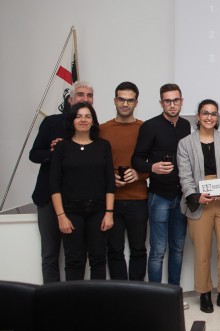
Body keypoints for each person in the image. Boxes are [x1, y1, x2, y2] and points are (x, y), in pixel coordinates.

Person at [177, 99, 220, 313]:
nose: (209, 117)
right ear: (198, 116)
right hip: (200, 202)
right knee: (202, 251)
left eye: (213, 114)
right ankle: (204, 294)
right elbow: (184, 175)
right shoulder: (185, 143)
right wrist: (195, 196)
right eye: (205, 113)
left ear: (217, 117)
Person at [29, 80, 94, 283]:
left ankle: (73, 300)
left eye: (89, 95)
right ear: (70, 99)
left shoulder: (93, 128)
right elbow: (34, 154)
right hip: (48, 198)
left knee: (77, 255)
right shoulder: (51, 123)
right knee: (50, 254)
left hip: (77, 201)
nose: (85, 99)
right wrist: (52, 152)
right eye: (81, 95)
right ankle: (51, 302)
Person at [132, 83, 191, 288]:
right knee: (157, 250)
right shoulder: (149, 126)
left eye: (176, 100)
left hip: (181, 196)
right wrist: (152, 167)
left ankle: (173, 293)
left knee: (178, 248)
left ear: (182, 102)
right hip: (159, 196)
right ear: (161, 103)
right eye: (168, 101)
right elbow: (136, 160)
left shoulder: (185, 126)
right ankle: (154, 295)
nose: (172, 105)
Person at [50, 102, 114, 280]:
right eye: (78, 116)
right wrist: (61, 216)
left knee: (98, 259)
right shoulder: (62, 147)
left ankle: (97, 305)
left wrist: (109, 213)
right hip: (70, 213)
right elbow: (54, 185)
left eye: (87, 116)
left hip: (99, 212)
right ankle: (74, 305)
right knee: (74, 261)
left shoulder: (103, 146)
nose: (83, 120)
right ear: (72, 121)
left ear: (93, 121)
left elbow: (110, 182)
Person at [99, 81, 149, 281]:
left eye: (130, 100)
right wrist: (109, 179)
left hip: (138, 198)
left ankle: (137, 293)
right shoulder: (102, 129)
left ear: (136, 102)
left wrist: (140, 174)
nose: (125, 104)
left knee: (138, 249)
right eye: (122, 99)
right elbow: (94, 163)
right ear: (115, 100)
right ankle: (120, 294)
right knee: (114, 250)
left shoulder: (145, 128)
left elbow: (153, 162)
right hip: (111, 201)